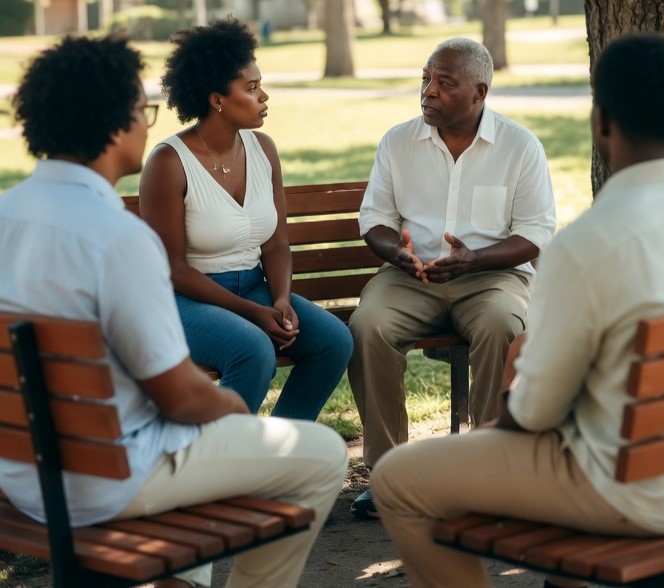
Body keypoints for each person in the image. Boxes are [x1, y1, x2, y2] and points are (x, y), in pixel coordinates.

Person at [369, 33, 664, 588]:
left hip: (629, 488)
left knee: (399, 477)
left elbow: (535, 414)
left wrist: (495, 429)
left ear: (602, 122)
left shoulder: (586, 245)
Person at [0, 34, 347, 588]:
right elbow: (182, 397)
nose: (148, 122)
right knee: (323, 454)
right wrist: (237, 418)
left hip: (21, 473)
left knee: (214, 450)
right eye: (144, 110)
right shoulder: (117, 236)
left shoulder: (6, 213)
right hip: (110, 477)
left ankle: (186, 579)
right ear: (116, 123)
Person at [348, 37, 556, 518]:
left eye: (444, 83)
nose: (428, 91)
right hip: (411, 276)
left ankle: (483, 473)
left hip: (492, 277)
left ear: (479, 92)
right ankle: (389, 474)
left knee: (503, 324)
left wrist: (476, 259)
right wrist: (395, 254)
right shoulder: (398, 142)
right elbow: (374, 219)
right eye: (425, 79)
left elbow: (536, 232)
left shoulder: (519, 146)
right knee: (367, 326)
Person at [139, 17, 353, 418]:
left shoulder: (263, 149)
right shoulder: (169, 162)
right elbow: (172, 269)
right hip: (186, 300)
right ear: (217, 98)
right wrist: (254, 313)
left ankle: (277, 453)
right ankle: (222, 465)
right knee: (253, 350)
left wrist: (281, 298)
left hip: (254, 288)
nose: (264, 96)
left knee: (333, 341)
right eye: (251, 88)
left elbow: (276, 243)